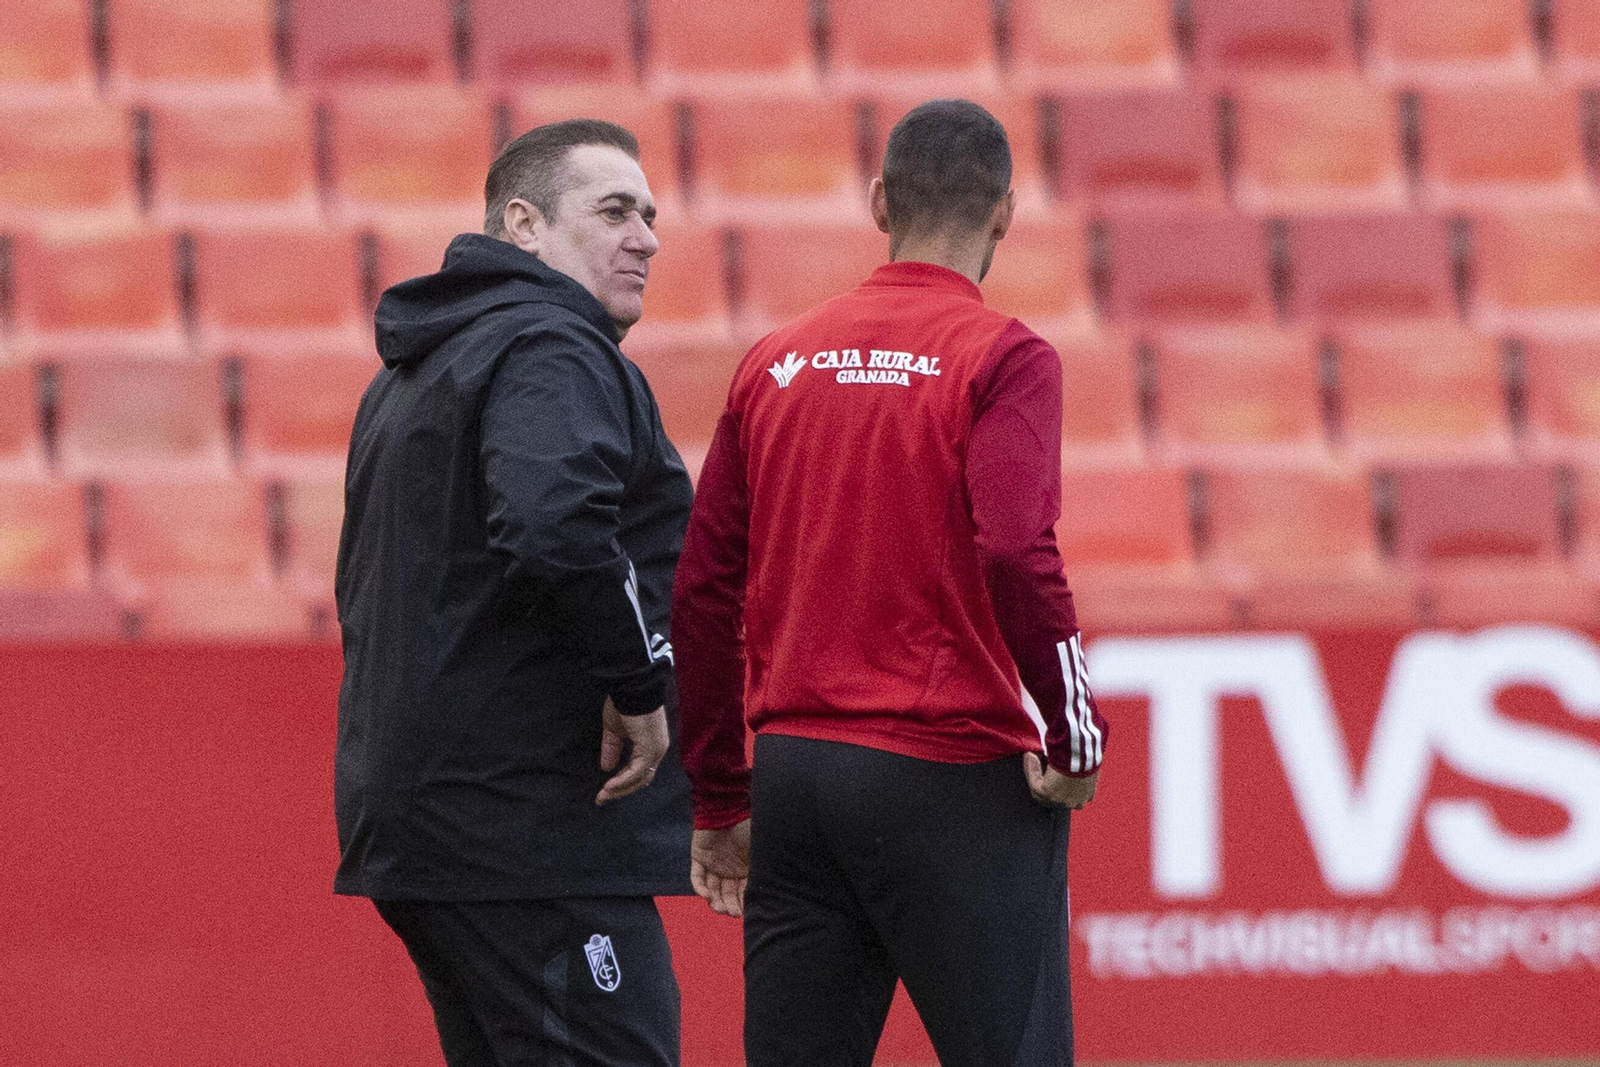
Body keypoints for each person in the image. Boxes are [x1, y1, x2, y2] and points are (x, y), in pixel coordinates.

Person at [672, 99, 1109, 1066]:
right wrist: (1075, 732)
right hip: (952, 774)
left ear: (879, 202)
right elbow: (1014, 549)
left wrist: (718, 794)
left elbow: (703, 586)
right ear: (1003, 215)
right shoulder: (1005, 358)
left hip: (796, 776)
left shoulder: (776, 360)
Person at [334, 119, 693, 1067]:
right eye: (614, 210)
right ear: (523, 225)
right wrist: (640, 684)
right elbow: (557, 526)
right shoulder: (550, 347)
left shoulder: (417, 368)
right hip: (529, 828)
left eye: (650, 215)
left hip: (434, 822)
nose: (647, 237)